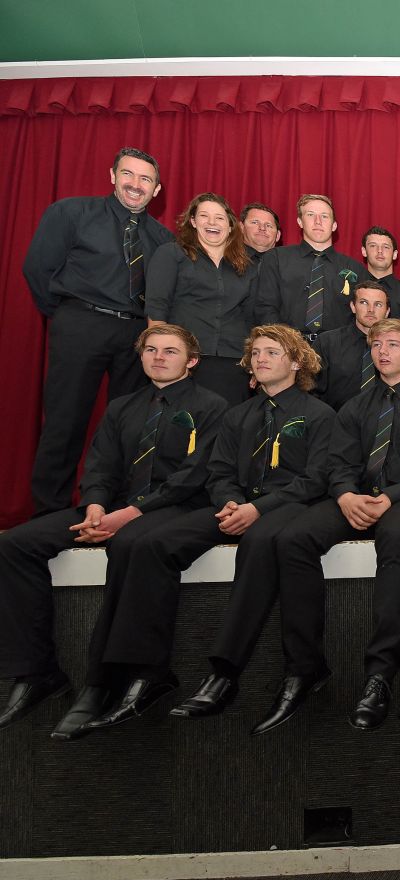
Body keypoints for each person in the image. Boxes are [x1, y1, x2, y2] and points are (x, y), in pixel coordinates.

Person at [0, 325, 227, 736]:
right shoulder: (122, 406)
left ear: (192, 361)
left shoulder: (212, 407)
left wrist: (127, 515)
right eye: (150, 350)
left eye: (170, 351)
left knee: (130, 543)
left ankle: (106, 680)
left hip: (174, 507)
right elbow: (100, 465)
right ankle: (36, 671)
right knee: (15, 544)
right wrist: (96, 507)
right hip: (113, 506)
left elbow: (194, 477)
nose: (158, 357)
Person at [137, 326, 334, 724]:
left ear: (297, 363)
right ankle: (146, 671)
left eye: (272, 352)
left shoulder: (320, 414)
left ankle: (225, 671)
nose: (260, 359)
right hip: (237, 505)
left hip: (290, 505)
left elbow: (315, 480)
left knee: (259, 541)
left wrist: (257, 510)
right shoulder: (237, 415)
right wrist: (232, 502)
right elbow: (220, 471)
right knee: (156, 542)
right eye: (256, 353)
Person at [269, 319, 400, 733]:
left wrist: (391, 497)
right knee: (294, 538)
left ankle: (379, 675)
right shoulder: (354, 407)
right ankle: (304, 667)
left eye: (393, 344)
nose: (382, 351)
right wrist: (346, 495)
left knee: (396, 535)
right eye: (376, 344)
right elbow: (339, 463)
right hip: (357, 496)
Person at [23, 147, 174, 515]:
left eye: (145, 179)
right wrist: (67, 316)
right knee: (65, 421)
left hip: (136, 335)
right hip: (81, 325)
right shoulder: (71, 213)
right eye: (128, 174)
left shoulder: (163, 239)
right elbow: (37, 269)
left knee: (128, 426)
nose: (136, 184)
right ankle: (49, 513)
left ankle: (111, 508)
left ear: (156, 190)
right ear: (112, 175)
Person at [145, 192, 256, 404]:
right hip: (185, 360)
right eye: (204, 216)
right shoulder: (171, 254)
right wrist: (160, 355)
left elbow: (252, 316)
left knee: (229, 421)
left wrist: (255, 360)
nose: (212, 222)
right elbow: (157, 308)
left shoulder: (247, 265)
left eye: (220, 217)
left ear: (230, 225)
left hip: (234, 361)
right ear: (193, 221)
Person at [255, 194, 365, 342]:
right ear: (300, 222)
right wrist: (284, 342)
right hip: (287, 345)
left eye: (324, 216)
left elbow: (361, 316)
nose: (318, 221)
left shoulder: (355, 268)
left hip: (337, 349)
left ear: (334, 225)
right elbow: (265, 307)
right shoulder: (276, 258)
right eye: (311, 215)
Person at [312, 281, 391, 411]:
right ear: (353, 306)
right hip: (334, 419)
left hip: (383, 420)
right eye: (364, 302)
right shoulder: (327, 342)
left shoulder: (398, 347)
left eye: (378, 304)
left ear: (387, 311)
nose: (371, 310)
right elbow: (311, 390)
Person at [360, 226, 400, 322]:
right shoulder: (351, 290)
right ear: (364, 251)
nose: (380, 251)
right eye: (373, 246)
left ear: (395, 254)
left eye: (386, 247)